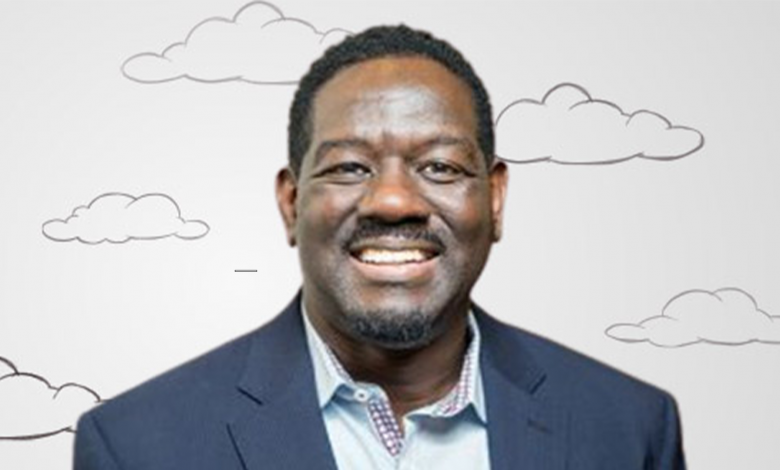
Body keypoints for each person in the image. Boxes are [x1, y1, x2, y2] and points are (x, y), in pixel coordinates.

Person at [74, 25, 686, 469]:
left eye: (440, 167)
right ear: (291, 202)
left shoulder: (631, 430)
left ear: (495, 198)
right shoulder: (135, 448)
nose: (393, 201)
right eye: (349, 167)